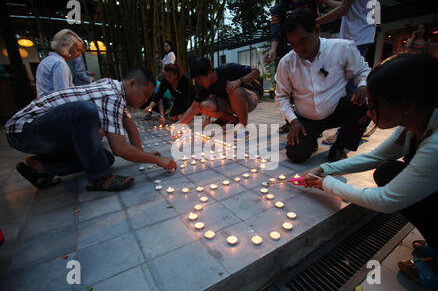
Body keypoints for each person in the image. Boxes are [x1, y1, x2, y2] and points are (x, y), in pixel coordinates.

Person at [302, 54, 438, 291]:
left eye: (373, 105)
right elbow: (375, 156)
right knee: (387, 170)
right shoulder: (418, 121)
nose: (367, 112)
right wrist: (325, 169)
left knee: (390, 177)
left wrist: (326, 184)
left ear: (407, 105)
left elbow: (386, 201)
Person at [5, 67, 177, 191]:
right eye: (145, 93)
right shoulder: (112, 95)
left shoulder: (114, 89)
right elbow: (120, 148)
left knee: (105, 159)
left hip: (41, 132)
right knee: (85, 111)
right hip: (24, 130)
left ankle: (41, 167)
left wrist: (143, 155)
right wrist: (158, 161)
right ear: (132, 84)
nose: (146, 100)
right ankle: (99, 179)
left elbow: (129, 124)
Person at [275, 10, 370, 163]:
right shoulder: (286, 62)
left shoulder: (342, 48)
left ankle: (340, 146)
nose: (298, 48)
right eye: (293, 44)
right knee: (296, 154)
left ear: (316, 31)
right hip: (306, 119)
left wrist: (363, 85)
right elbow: (281, 96)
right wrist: (293, 121)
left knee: (365, 103)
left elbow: (362, 71)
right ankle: (310, 141)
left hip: (336, 110)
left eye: (303, 41)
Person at [314, 0, 378, 144]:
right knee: (349, 85)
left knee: (350, 88)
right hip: (363, 36)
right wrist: (323, 0)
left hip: (357, 37)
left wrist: (312, 24)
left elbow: (343, 9)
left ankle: (344, 134)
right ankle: (352, 127)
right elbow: (347, 6)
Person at [264, 0, 320, 135]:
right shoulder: (279, 8)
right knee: (288, 87)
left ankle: (315, 121)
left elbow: (315, 22)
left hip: (310, 50)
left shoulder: (310, 1)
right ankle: (291, 120)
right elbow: (275, 30)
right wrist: (273, 49)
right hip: (287, 49)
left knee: (311, 84)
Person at [176, 58, 261, 140]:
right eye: (197, 80)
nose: (199, 82)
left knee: (233, 89)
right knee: (203, 106)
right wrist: (179, 124)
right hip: (230, 103)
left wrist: (239, 81)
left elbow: (256, 71)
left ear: (210, 72)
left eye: (200, 79)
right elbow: (193, 108)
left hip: (250, 97)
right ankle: (234, 121)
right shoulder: (203, 87)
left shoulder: (227, 69)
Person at [35, 29, 85, 98]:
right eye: (78, 50)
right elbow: (63, 96)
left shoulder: (46, 60)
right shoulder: (59, 64)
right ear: (67, 47)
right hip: (54, 106)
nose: (79, 54)